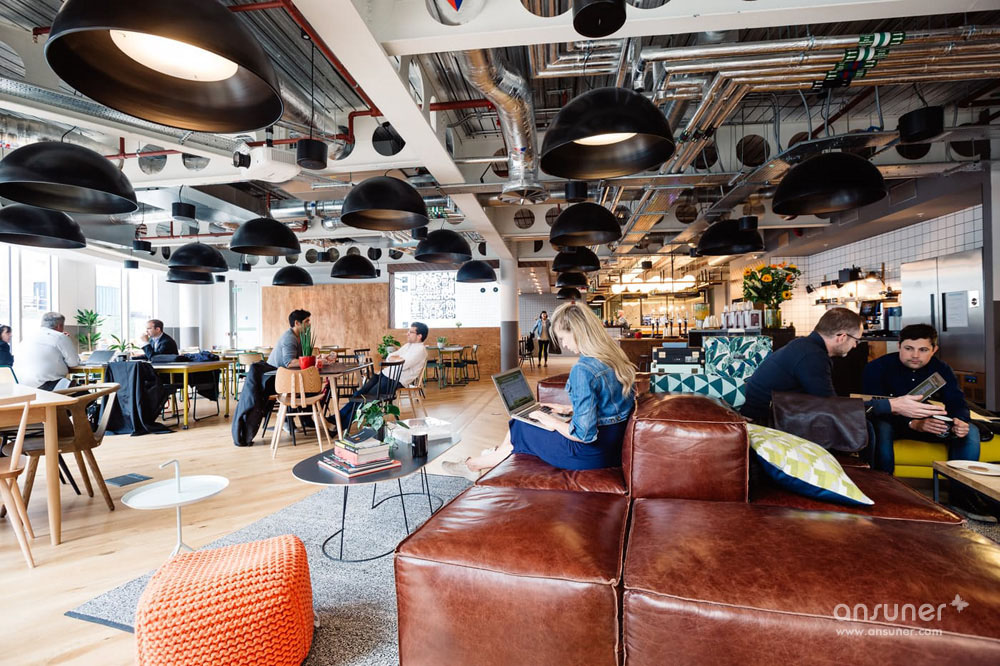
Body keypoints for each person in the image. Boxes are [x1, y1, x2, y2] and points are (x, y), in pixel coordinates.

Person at [442, 302, 635, 480]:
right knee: (522, 422)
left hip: (588, 454)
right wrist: (569, 409)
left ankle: (474, 465)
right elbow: (608, 404)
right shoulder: (612, 358)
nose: (563, 344)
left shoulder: (583, 370)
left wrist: (550, 420)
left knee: (521, 424)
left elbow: (583, 435)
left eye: (562, 337)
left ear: (577, 331)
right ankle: (489, 458)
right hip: (611, 448)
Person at [863, 324, 979, 475]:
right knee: (882, 427)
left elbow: (957, 401)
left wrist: (960, 421)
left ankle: (962, 489)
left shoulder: (942, 369)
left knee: (971, 431)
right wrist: (913, 423)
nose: (915, 355)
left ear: (934, 350)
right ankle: (884, 484)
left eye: (923, 350)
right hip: (891, 423)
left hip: (928, 423)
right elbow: (875, 409)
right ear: (899, 346)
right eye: (908, 348)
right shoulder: (876, 367)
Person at [741, 307, 873, 423]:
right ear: (842, 337)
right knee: (863, 426)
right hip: (765, 421)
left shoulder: (804, 346)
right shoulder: (813, 356)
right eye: (856, 340)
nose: (855, 346)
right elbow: (831, 405)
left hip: (770, 413)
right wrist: (879, 406)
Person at [331, 322, 429, 431]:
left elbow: (404, 365)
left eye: (411, 332)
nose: (407, 334)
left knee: (366, 399)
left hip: (395, 381)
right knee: (358, 394)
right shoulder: (408, 345)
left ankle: (340, 426)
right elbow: (389, 356)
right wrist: (397, 359)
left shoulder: (420, 350)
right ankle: (337, 418)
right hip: (384, 374)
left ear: (419, 336)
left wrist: (397, 359)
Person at [13, 312, 80, 390]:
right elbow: (74, 363)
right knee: (84, 393)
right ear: (59, 325)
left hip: (20, 385)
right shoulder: (60, 336)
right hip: (45, 385)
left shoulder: (29, 336)